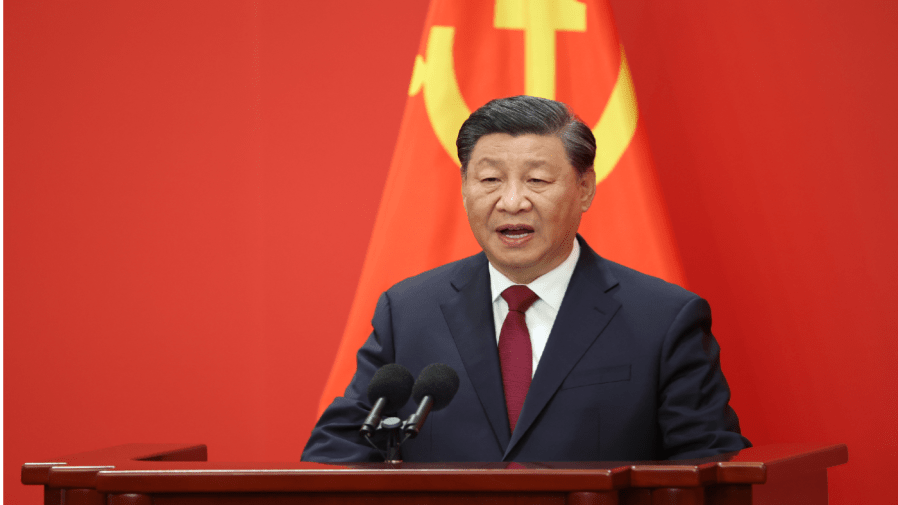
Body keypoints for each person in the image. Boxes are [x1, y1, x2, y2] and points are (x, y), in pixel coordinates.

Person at [302, 95, 750, 462]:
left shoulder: (663, 318)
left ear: (585, 188)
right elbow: (337, 449)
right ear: (464, 188)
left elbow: (709, 463)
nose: (511, 201)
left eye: (536, 180)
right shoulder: (409, 311)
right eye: (490, 179)